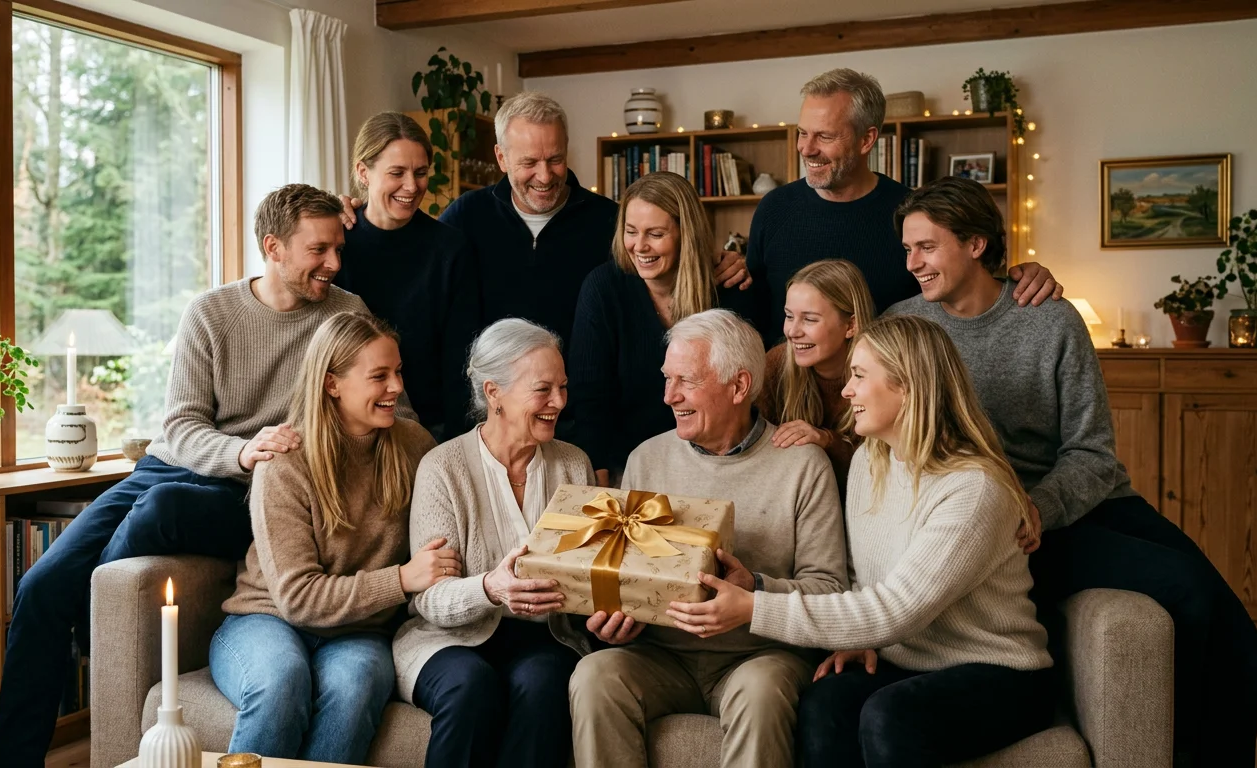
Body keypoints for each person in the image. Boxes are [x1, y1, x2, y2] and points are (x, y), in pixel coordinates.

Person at [0, 184, 380, 766]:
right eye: (319, 250)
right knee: (42, 586)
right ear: (273, 247)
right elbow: (183, 422)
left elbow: (374, 403)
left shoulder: (346, 314)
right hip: (181, 465)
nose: (335, 263)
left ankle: (95, 627)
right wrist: (243, 450)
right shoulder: (211, 312)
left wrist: (265, 463)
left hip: (260, 491)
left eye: (338, 250)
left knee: (166, 508)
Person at [887, 175, 1257, 767]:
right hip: (1000, 525)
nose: (912, 263)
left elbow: (1091, 453)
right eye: (907, 249)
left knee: (1232, 624)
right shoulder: (904, 329)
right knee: (1189, 592)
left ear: (977, 243)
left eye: (926, 247)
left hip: (1075, 502)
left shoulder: (1049, 319)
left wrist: (1038, 507)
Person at [671, 314, 1056, 768]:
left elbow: (897, 609)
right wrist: (755, 587)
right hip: (905, 658)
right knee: (823, 704)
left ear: (908, 386)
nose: (846, 391)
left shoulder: (973, 490)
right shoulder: (871, 463)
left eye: (858, 375)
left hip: (998, 672)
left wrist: (753, 610)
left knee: (889, 717)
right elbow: (859, 584)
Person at [569, 309, 847, 768]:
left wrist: (754, 589)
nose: (668, 396)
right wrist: (611, 617)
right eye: (667, 379)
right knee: (594, 674)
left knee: (761, 691)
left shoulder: (803, 466)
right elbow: (621, 573)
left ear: (739, 387)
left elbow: (829, 590)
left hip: (760, 655)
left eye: (686, 381)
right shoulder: (646, 459)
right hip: (660, 655)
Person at [340, 92, 749, 359]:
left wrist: (715, 258)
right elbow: (412, 248)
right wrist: (345, 210)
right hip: (496, 409)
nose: (545, 175)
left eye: (555, 159)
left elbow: (661, 265)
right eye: (528, 163)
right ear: (501, 158)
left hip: (587, 402)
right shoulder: (466, 217)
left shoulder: (610, 220)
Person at [210, 312, 449, 764]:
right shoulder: (285, 461)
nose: (396, 387)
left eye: (398, 372)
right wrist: (401, 579)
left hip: (360, 630)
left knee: (355, 684)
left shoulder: (415, 445)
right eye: (379, 376)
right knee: (281, 680)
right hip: (266, 618)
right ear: (331, 383)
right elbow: (297, 598)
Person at [393, 318, 595, 768]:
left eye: (562, 387)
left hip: (545, 637)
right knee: (471, 687)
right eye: (543, 390)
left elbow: (587, 580)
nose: (559, 402)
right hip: (446, 639)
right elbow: (431, 597)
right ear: (493, 393)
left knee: (544, 683)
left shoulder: (573, 465)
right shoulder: (443, 468)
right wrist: (490, 588)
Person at [745, 68, 1060, 339]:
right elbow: (751, 309)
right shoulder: (774, 209)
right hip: (790, 399)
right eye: (802, 133)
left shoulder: (912, 214)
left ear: (867, 139)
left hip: (895, 398)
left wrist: (1021, 277)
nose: (806, 149)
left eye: (824, 137)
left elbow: (969, 287)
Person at [570, 172, 760, 485]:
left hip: (718, 464)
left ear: (687, 234)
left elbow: (749, 392)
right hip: (628, 468)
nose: (639, 246)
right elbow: (589, 395)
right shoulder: (604, 288)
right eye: (631, 231)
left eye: (655, 234)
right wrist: (598, 470)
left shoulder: (729, 287)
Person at [333, 112, 479, 439]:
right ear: (363, 172)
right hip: (345, 425)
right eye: (397, 172)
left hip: (428, 427)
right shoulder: (336, 243)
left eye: (421, 172)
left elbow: (461, 360)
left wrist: (460, 446)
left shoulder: (450, 249)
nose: (412, 187)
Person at [756, 259, 873, 491]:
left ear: (851, 325)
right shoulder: (776, 364)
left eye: (809, 319)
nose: (792, 332)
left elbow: (882, 469)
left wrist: (826, 441)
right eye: (789, 316)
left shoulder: (879, 375)